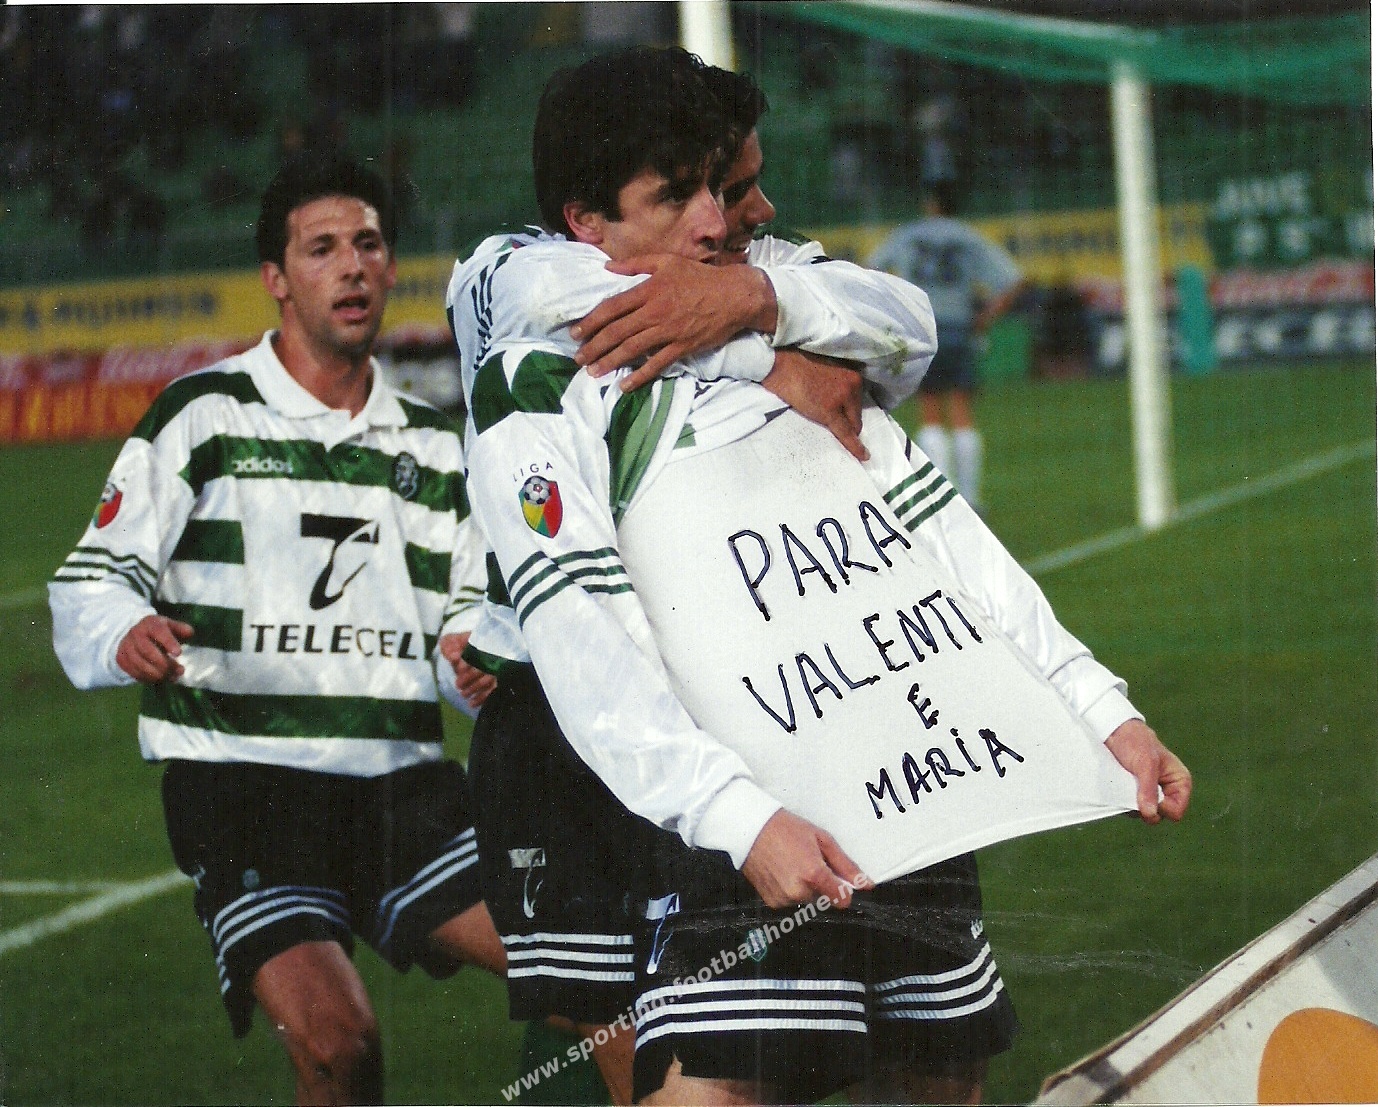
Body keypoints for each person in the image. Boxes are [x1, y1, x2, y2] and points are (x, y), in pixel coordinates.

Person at [451, 48, 1190, 1106]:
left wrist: (1099, 710)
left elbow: (939, 536)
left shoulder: (799, 319)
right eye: (677, 196)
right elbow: (588, 639)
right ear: (585, 222)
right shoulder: (542, 376)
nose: (718, 222)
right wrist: (738, 818)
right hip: (735, 798)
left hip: (904, 762)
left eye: (719, 188)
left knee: (940, 1079)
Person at [49, 152, 504, 1106]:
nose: (352, 266)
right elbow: (93, 577)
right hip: (246, 786)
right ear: (276, 278)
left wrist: (470, 651)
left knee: (583, 969)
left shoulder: (434, 446)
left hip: (401, 786)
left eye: (368, 244)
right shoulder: (203, 415)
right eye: (321, 248)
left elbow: (466, 610)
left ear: (391, 267)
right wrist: (124, 626)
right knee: (339, 1045)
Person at [868, 181, 1029, 513]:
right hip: (959, 328)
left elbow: (870, 270)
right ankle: (970, 497)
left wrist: (894, 310)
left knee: (929, 411)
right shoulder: (968, 237)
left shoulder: (908, 235)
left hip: (921, 329)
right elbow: (1013, 280)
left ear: (930, 204)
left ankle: (943, 499)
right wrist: (985, 317)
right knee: (961, 412)